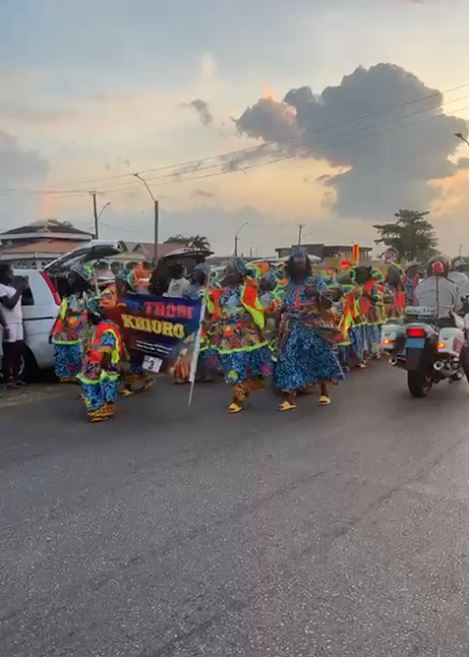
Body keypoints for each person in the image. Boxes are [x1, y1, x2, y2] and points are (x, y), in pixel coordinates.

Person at [274, 248, 344, 410]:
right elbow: (284, 303)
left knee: (319, 356)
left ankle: (324, 392)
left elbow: (328, 303)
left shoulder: (316, 281)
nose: (299, 266)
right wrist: (280, 312)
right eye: (296, 264)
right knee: (289, 358)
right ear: (291, 266)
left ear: (307, 265)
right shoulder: (288, 284)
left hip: (313, 325)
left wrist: (317, 294)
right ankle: (291, 398)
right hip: (293, 326)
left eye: (302, 263)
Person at [206, 258, 271, 413]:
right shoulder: (221, 292)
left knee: (238, 364)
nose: (228, 273)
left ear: (240, 274)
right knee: (230, 364)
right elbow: (214, 310)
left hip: (245, 335)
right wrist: (208, 299)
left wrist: (258, 324)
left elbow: (257, 308)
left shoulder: (246, 290)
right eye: (227, 270)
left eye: (231, 271)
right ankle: (242, 390)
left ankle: (238, 398)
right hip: (226, 335)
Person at [77, 296, 123, 422]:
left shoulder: (105, 328)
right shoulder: (100, 327)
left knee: (99, 388)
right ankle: (97, 410)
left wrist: (103, 367)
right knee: (95, 387)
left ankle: (99, 410)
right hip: (95, 363)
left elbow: (107, 349)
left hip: (100, 364)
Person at [50, 264, 93, 382]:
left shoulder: (86, 295)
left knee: (77, 355)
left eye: (73, 277)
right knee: (62, 355)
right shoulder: (67, 295)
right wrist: (53, 329)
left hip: (77, 331)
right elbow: (62, 313)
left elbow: (85, 311)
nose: (70, 279)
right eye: (69, 277)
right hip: (62, 332)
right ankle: (65, 376)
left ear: (80, 279)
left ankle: (78, 375)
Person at [0, 264, 27, 389]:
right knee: (9, 352)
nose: (12, 276)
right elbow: (9, 304)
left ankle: (16, 377)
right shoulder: (1, 288)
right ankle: (8, 379)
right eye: (9, 273)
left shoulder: (10, 287)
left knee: (18, 350)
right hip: (8, 323)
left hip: (18, 322)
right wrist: (19, 290)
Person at [413, 257, 461, 323]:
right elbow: (458, 306)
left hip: (423, 322)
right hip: (446, 322)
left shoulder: (420, 286)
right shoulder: (452, 286)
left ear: (429, 270)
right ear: (446, 270)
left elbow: (415, 305)